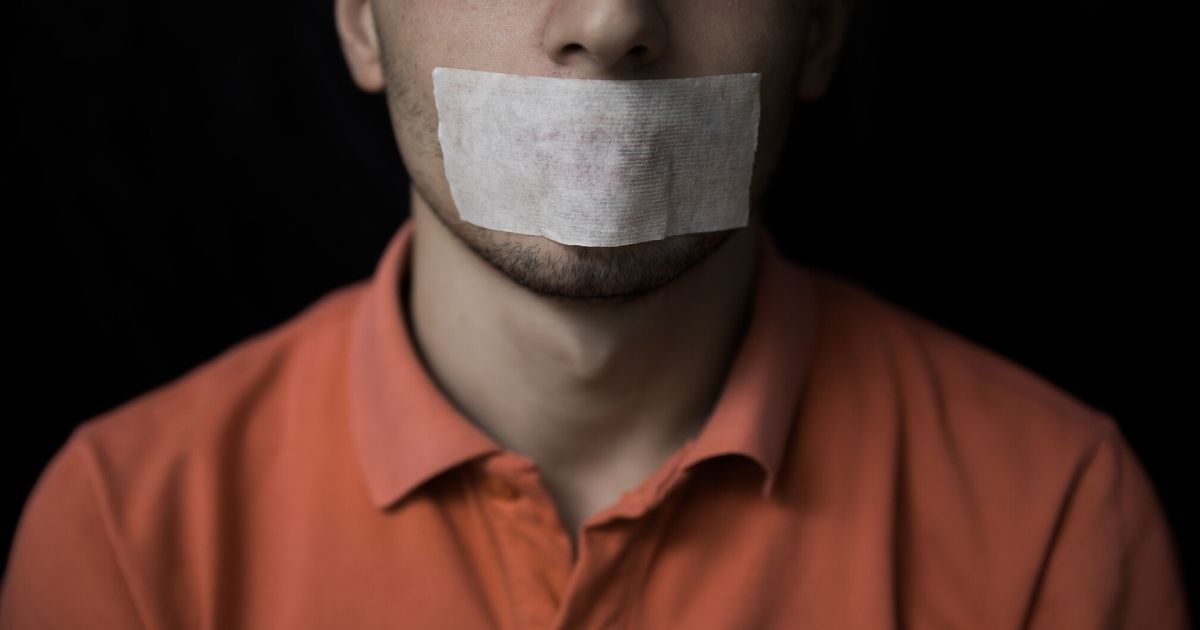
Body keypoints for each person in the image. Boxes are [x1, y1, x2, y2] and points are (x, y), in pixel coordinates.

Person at [0, 0, 1190, 628]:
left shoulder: (1051, 515)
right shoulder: (130, 533)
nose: (613, 18)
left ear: (822, 27)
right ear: (361, 19)